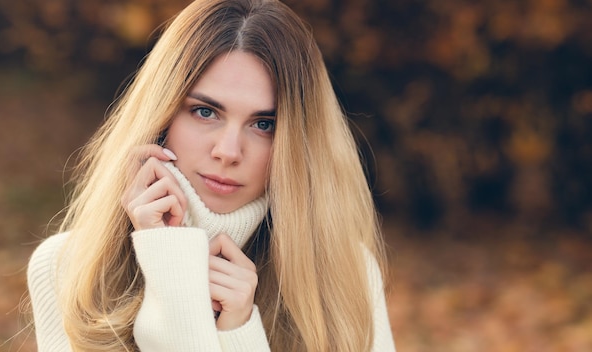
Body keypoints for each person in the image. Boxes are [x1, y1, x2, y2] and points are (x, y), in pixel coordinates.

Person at [27, 0, 396, 350]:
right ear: (163, 114)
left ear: (298, 143)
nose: (228, 151)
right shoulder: (67, 268)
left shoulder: (347, 274)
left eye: (264, 124)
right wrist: (171, 265)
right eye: (205, 112)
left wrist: (240, 333)